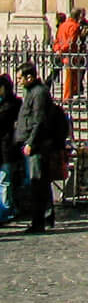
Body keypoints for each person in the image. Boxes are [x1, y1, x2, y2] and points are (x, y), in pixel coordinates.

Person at [17, 62, 68, 234]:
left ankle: (39, 220)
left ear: (29, 77)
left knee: (38, 183)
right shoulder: (33, 92)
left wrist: (31, 142)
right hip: (35, 143)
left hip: (38, 146)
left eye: (20, 78)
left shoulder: (38, 93)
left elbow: (38, 120)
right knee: (41, 182)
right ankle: (46, 216)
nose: (19, 82)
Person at [0, 70, 19, 226]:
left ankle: (6, 210)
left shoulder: (10, 104)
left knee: (4, 180)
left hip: (6, 147)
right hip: (5, 147)